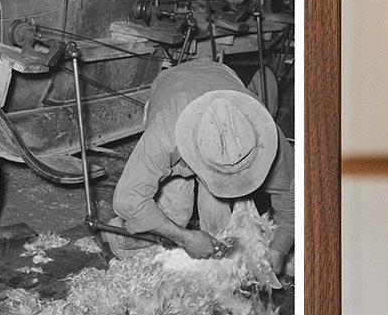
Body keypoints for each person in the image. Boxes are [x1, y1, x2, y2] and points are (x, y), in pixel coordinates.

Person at [108, 59, 294, 274]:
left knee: (222, 226)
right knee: (175, 215)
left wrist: (280, 247)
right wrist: (184, 237)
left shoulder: (266, 134)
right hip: (173, 88)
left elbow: (292, 192)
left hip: (218, 74)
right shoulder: (163, 136)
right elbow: (128, 199)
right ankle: (115, 233)